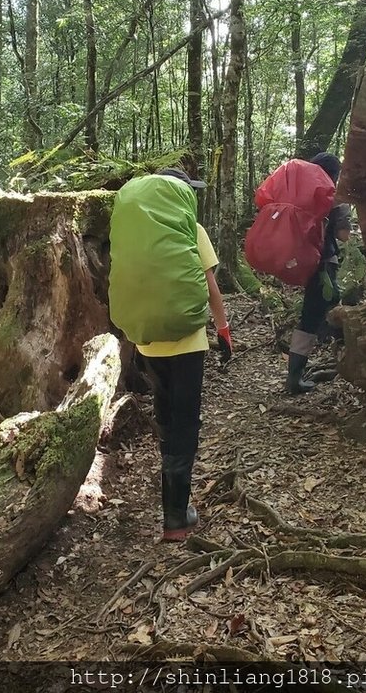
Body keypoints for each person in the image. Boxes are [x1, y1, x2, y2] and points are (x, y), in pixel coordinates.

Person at [130, 168, 232, 541]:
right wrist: (223, 332)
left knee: (166, 416)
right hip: (188, 344)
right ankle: (176, 515)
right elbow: (212, 291)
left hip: (148, 343)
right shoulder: (192, 231)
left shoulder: (139, 236)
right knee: (185, 423)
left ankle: (173, 505)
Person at [287, 152, 351, 395]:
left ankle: (340, 359)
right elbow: (344, 235)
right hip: (324, 262)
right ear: (334, 174)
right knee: (314, 315)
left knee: (324, 307)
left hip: (304, 261)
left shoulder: (300, 193)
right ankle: (294, 379)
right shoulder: (331, 195)